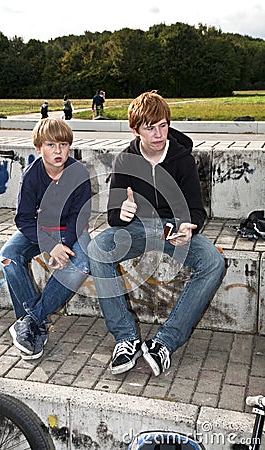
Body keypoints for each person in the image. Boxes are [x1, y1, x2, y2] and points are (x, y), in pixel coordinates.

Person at [87, 91, 226, 377]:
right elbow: (114, 215)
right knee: (98, 249)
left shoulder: (182, 159)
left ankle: (164, 343)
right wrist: (122, 212)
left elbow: (197, 210)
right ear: (135, 129)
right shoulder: (125, 160)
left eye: (163, 125)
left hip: (173, 229)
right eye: (150, 127)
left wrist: (190, 226)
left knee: (213, 262)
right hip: (138, 228)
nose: (159, 134)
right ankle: (125, 338)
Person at [0, 117, 91, 360]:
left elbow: (79, 217)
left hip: (73, 230)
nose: (58, 151)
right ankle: (33, 324)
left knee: (81, 264)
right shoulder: (32, 175)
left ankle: (29, 322)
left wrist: (65, 245)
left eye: (63, 144)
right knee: (8, 256)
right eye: (51, 145)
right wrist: (51, 246)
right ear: (39, 148)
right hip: (40, 231)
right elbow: (24, 220)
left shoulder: (79, 172)